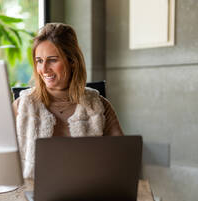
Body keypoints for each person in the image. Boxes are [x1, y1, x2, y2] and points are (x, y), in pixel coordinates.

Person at [12, 23, 123, 179]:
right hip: (32, 195)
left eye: (52, 60)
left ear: (72, 61)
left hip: (88, 193)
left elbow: (121, 160)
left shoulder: (99, 105)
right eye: (39, 61)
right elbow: (0, 159)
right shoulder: (21, 106)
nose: (44, 69)